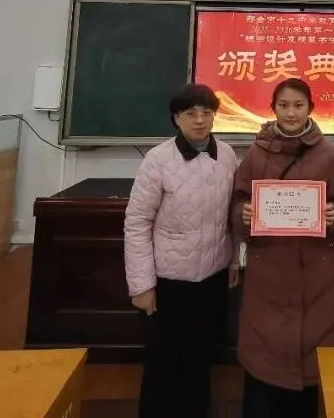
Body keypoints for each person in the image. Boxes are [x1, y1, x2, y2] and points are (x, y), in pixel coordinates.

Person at [230, 78, 334, 418]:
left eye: (298, 105)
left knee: (310, 372)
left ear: (310, 109)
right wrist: (243, 214)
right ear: (273, 108)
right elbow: (238, 199)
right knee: (263, 371)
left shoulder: (328, 153)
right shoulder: (257, 153)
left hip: (318, 277)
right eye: (284, 105)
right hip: (268, 275)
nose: (291, 112)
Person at [123, 83, 240, 418]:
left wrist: (235, 260)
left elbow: (231, 217)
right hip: (168, 283)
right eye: (191, 113)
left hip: (212, 279)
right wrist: (142, 285)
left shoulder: (228, 155)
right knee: (163, 363)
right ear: (177, 118)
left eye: (206, 112)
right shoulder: (158, 160)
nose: (200, 120)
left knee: (200, 359)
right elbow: (137, 223)